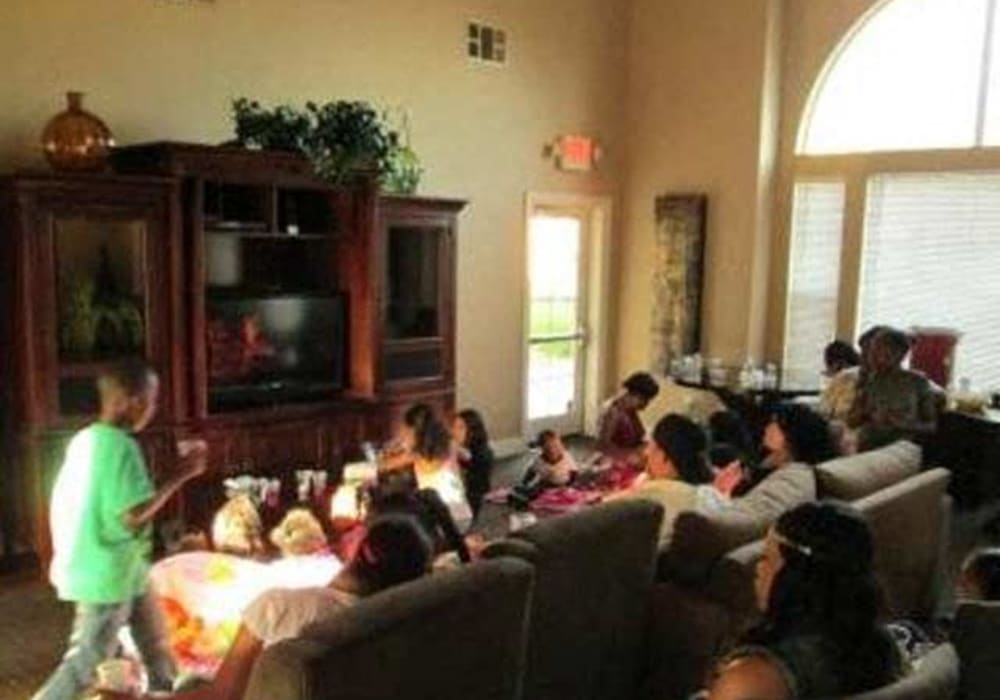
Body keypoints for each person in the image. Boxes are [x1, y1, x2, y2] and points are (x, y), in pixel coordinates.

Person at [105, 515, 432, 700]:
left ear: (359, 548)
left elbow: (223, 696)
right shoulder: (402, 624)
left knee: (186, 683)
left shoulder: (280, 607)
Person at [34, 362, 208, 700]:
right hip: (107, 575)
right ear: (132, 401)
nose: (154, 409)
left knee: (156, 644)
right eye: (152, 400)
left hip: (117, 567)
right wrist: (182, 474)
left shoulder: (86, 439)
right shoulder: (120, 448)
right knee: (86, 660)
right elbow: (133, 516)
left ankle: (166, 690)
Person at [742, 501, 905, 697]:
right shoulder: (884, 649)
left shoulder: (757, 677)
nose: (758, 569)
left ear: (799, 576)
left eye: (767, 558)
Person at [607, 414, 722, 547]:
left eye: (651, 446)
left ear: (663, 456)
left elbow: (595, 515)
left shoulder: (651, 495)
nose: (646, 453)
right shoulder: (712, 495)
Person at [847, 328, 942, 452]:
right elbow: (851, 422)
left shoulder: (917, 382)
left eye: (879, 352)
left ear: (900, 355)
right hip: (867, 447)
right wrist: (865, 412)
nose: (871, 357)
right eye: (871, 351)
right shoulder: (869, 380)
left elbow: (931, 426)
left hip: (901, 449)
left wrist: (898, 423)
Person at [385, 403, 473, 532]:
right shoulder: (449, 444)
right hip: (463, 516)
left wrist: (392, 451)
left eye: (407, 431)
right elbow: (468, 455)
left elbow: (385, 466)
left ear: (413, 431)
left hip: (440, 522)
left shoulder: (416, 454)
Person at [720, 403, 836, 498]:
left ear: (790, 434)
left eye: (774, 423)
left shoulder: (789, 476)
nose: (767, 427)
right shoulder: (771, 461)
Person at [597, 371, 660, 461]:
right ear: (634, 394)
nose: (646, 404)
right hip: (616, 461)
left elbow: (639, 436)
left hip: (631, 456)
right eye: (645, 399)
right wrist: (630, 455)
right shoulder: (614, 412)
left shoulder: (630, 410)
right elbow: (603, 447)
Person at [452, 409, 495, 518]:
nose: (455, 431)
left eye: (461, 427)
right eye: (454, 426)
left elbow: (472, 461)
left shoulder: (481, 453)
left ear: (473, 430)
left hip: (469, 501)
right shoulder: (462, 447)